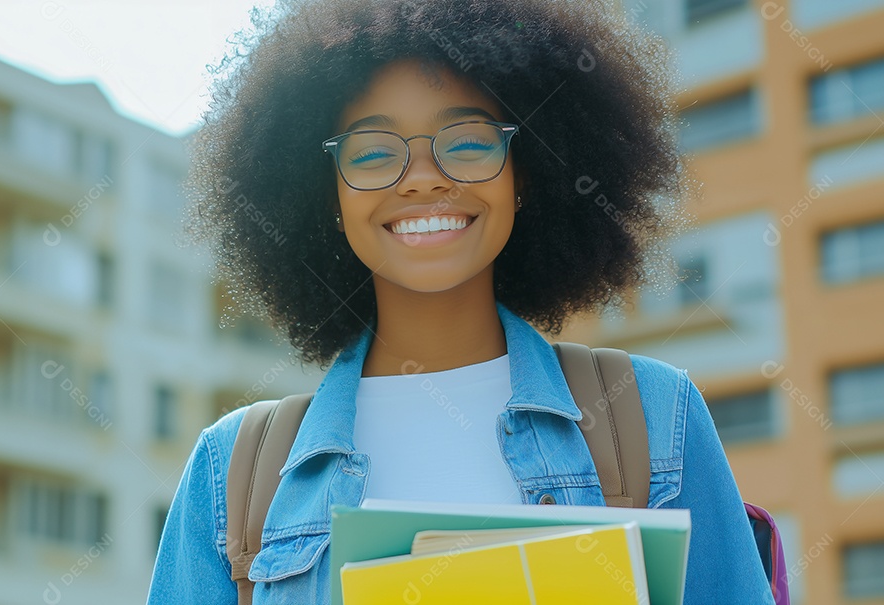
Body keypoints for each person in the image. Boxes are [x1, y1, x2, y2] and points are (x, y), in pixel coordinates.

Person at [147, 0, 773, 603]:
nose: (422, 177)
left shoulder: (655, 418)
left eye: (468, 142)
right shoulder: (231, 472)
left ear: (522, 172)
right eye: (371, 153)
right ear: (329, 199)